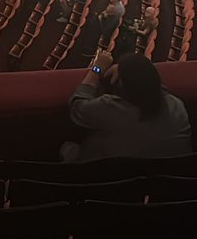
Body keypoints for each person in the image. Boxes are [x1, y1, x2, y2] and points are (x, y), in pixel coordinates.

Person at [61, 50, 192, 162]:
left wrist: (97, 69)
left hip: (112, 180)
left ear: (121, 84)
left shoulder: (111, 108)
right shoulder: (176, 105)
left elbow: (77, 106)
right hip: (170, 182)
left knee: (68, 148)